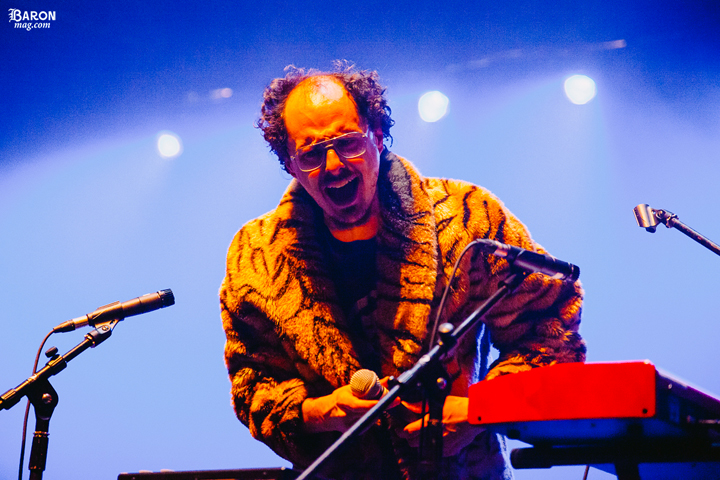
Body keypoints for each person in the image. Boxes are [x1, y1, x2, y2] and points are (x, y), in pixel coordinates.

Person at [220, 63, 585, 479]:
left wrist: (480, 411)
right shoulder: (256, 253)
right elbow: (253, 387)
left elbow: (552, 333)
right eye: (312, 153)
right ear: (289, 163)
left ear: (377, 135)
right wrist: (321, 412)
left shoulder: (467, 217)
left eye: (348, 143)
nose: (334, 164)